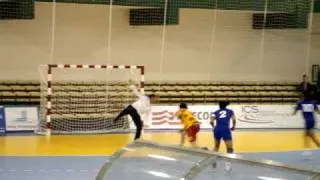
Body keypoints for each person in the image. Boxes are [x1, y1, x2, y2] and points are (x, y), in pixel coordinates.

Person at [210, 101, 236, 172]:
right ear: (226, 106)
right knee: (230, 148)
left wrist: (213, 127)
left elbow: (211, 121)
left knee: (216, 146)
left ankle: (213, 161)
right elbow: (234, 119)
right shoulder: (230, 111)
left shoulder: (215, 112)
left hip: (217, 129)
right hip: (225, 129)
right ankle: (227, 165)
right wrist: (233, 126)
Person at [293, 92, 320, 157]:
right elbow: (318, 111)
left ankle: (308, 150)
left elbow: (295, 111)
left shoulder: (300, 103)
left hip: (307, 121)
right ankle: (307, 150)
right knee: (305, 135)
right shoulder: (313, 102)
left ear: (304, 96)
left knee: (311, 136)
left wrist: (294, 111)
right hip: (312, 120)